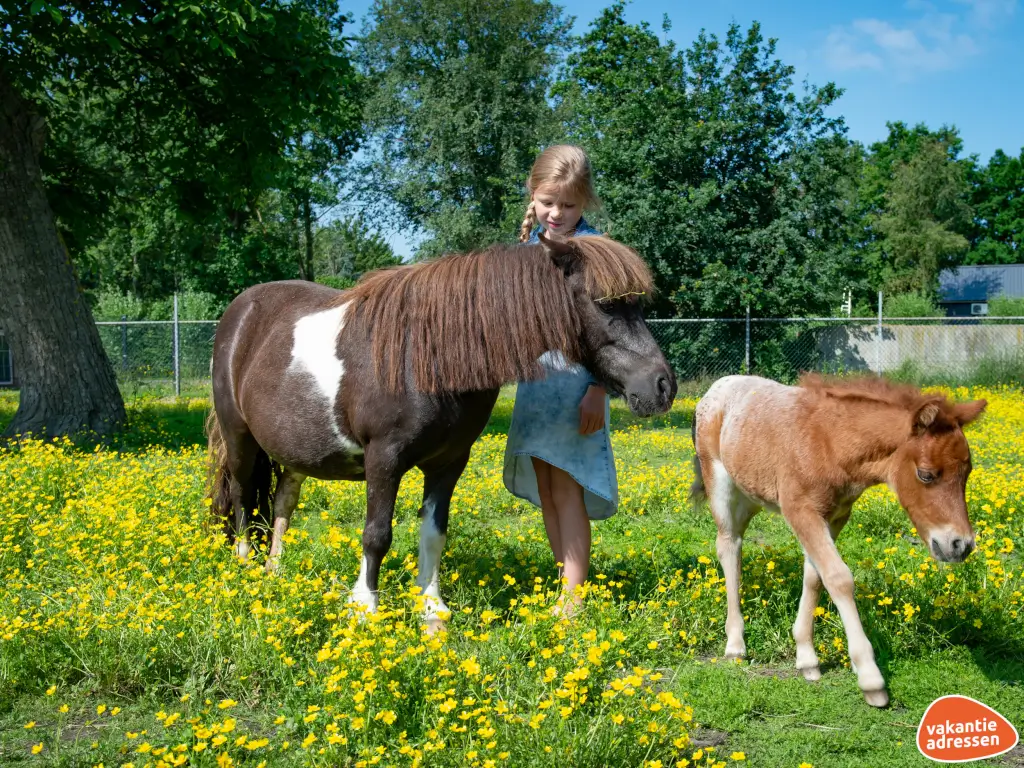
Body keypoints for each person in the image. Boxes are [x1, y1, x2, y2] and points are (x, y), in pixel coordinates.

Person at [503, 144, 618, 617]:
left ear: (584, 203)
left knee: (568, 489)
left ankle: (573, 601)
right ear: (533, 196)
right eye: (549, 202)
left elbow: (611, 331)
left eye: (568, 205)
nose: (557, 213)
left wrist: (598, 389)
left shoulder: (594, 253)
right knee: (549, 487)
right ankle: (564, 580)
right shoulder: (525, 252)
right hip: (537, 390)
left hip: (577, 391)